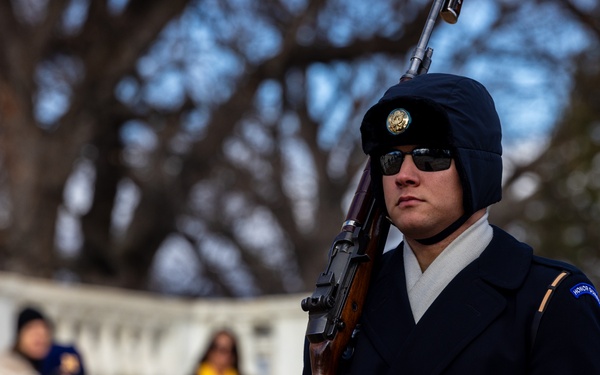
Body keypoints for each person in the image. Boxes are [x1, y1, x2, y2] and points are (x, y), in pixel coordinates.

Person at [303, 73, 600, 374]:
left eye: (429, 156)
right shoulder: (344, 306)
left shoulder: (551, 298)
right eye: (390, 159)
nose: (404, 175)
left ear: (476, 166)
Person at [0, 306, 52, 375]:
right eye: (35, 333)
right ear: (20, 335)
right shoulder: (6, 368)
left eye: (45, 334)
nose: (41, 339)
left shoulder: (48, 367)